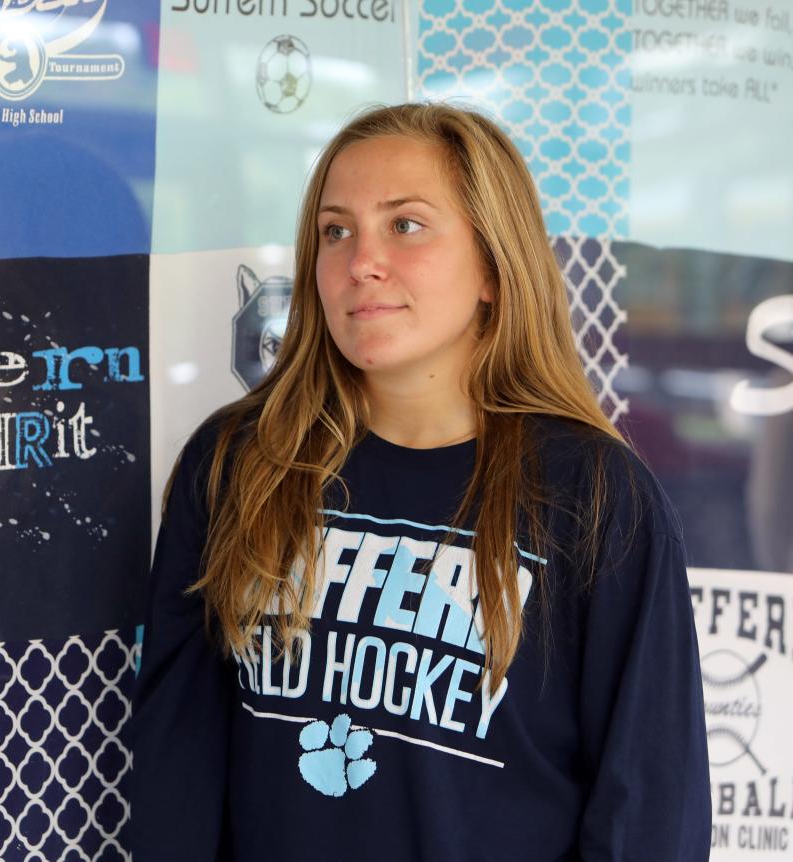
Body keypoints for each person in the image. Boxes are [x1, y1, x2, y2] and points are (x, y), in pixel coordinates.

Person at [127, 102, 711, 861]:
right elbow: (179, 766)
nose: (360, 260)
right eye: (336, 231)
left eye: (405, 225)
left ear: (494, 270)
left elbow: (650, 808)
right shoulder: (241, 462)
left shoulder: (597, 495)